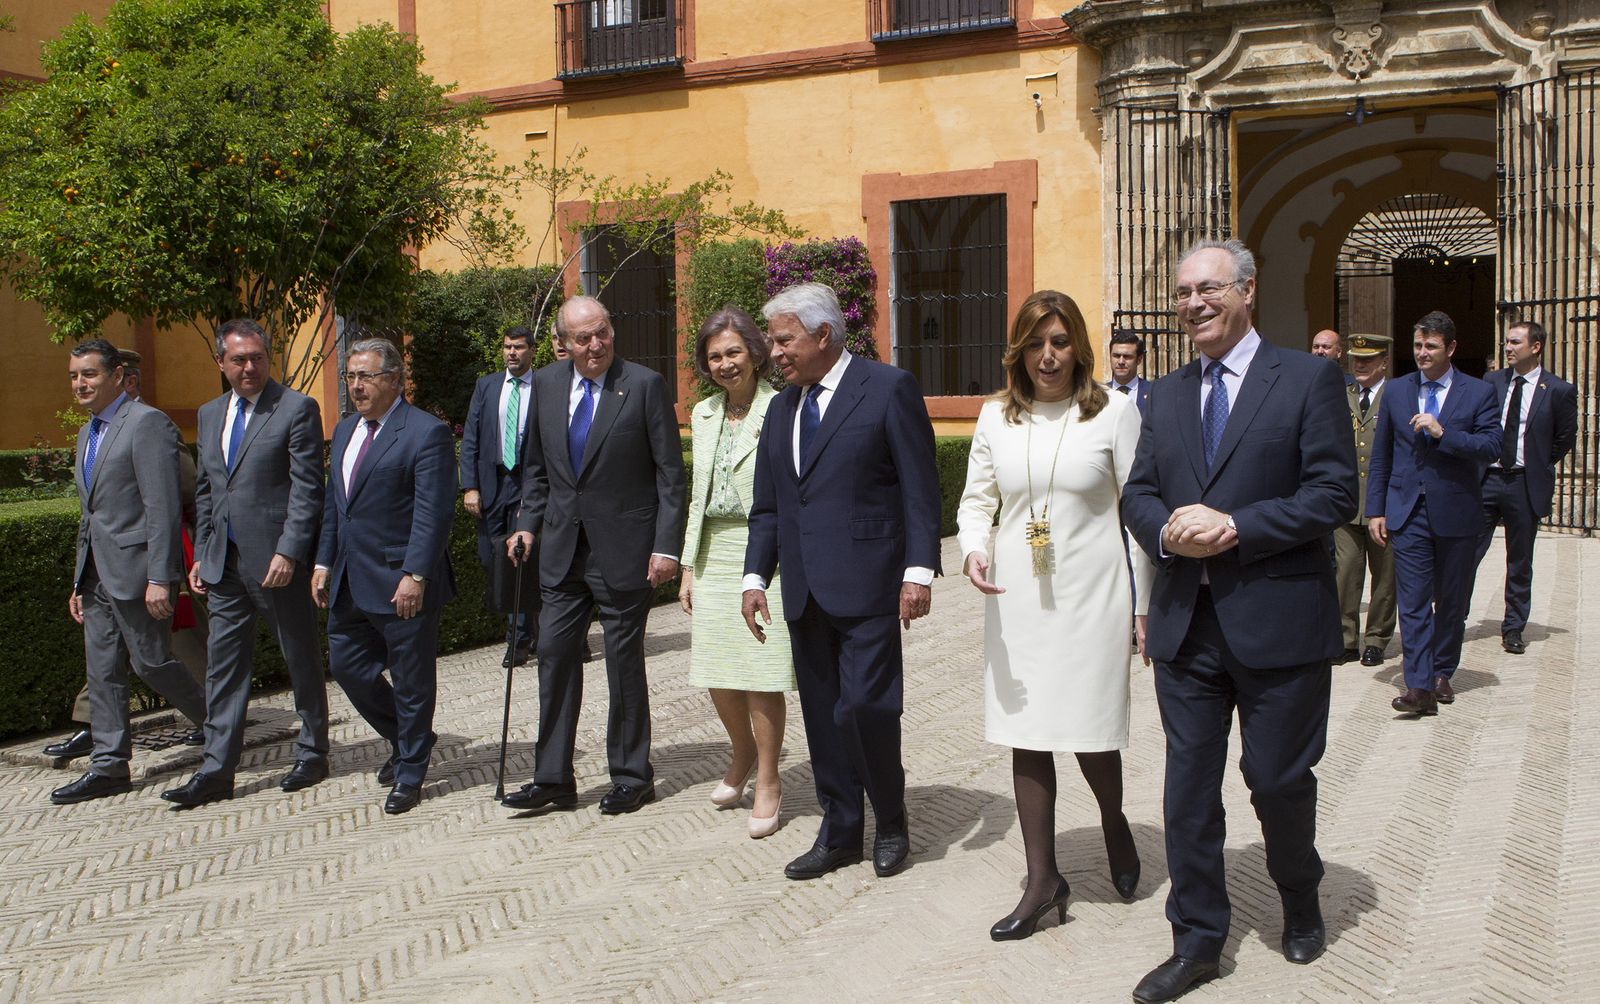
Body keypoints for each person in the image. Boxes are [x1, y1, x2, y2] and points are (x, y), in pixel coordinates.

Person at [1121, 240, 1357, 1002]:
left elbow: (1333, 494)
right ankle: (1196, 940)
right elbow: (1139, 492)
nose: (1191, 303)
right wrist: (1164, 532)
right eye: (1183, 291)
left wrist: (1236, 526)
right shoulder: (1163, 393)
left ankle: (1299, 893)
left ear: (1247, 291)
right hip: (1186, 622)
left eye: (1208, 289)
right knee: (1188, 789)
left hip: (1280, 620)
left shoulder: (1309, 378)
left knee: (1277, 779)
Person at [958, 290, 1154, 941]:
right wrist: (974, 551)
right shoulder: (995, 420)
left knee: (1093, 728)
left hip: (1093, 597)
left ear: (1080, 349)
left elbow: (1139, 518)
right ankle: (1043, 881)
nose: (1049, 355)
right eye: (1037, 342)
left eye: (1061, 341)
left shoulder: (1115, 414)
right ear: (1018, 349)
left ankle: (1114, 821)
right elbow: (975, 502)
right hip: (1017, 600)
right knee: (1030, 730)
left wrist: (1145, 604)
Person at [742, 282, 942, 881]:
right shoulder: (782, 409)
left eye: (784, 340)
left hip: (871, 584)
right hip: (803, 590)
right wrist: (755, 577)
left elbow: (919, 487)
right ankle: (840, 830)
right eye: (772, 341)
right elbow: (771, 505)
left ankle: (892, 817)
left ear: (823, 334)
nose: (773, 352)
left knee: (867, 708)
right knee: (825, 714)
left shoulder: (886, 389)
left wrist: (918, 571)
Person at [501, 296, 686, 816]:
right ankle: (553, 779)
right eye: (583, 338)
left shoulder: (644, 385)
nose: (595, 344)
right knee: (554, 657)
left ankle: (631, 775)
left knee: (624, 665)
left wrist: (666, 546)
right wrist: (525, 527)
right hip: (562, 553)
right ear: (564, 343)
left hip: (625, 551)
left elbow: (670, 476)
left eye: (602, 332)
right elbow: (535, 472)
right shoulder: (548, 385)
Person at [164, 319, 330, 809]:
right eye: (238, 360)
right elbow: (208, 491)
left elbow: (307, 490)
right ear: (221, 363)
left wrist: (289, 551)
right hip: (225, 566)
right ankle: (217, 770)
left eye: (257, 357)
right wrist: (203, 551)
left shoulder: (296, 408)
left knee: (299, 656)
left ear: (268, 357)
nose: (249, 367)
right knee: (223, 669)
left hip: (276, 563)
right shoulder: (210, 413)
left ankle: (313, 750)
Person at [52, 340, 211, 805]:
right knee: (102, 670)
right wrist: (80, 580)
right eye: (74, 376)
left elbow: (162, 506)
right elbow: (91, 515)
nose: (80, 384)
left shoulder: (146, 424)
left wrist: (163, 578)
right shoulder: (88, 434)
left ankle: (219, 725)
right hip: (98, 577)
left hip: (140, 573)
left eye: (89, 375)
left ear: (118, 376)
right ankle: (109, 766)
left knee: (151, 662)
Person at [313, 337, 457, 815]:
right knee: (350, 668)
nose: (356, 386)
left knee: (413, 681)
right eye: (351, 376)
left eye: (366, 376)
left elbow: (432, 513)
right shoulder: (347, 429)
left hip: (401, 581)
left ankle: (411, 771)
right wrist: (323, 562)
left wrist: (416, 573)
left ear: (395, 380)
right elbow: (339, 508)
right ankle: (410, 734)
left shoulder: (425, 433)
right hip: (351, 582)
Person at [679, 306, 795, 839]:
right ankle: (742, 753)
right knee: (717, 671)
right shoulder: (703, 415)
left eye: (733, 352)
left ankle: (769, 778)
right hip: (712, 556)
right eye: (715, 356)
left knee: (762, 670)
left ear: (755, 353)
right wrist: (687, 565)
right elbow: (695, 496)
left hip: (763, 553)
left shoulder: (783, 407)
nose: (725, 363)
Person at [1366, 311, 1499, 715]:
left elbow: (1492, 447)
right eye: (1418, 346)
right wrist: (1376, 509)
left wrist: (1446, 434)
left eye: (1431, 347)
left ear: (1451, 349)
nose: (1422, 354)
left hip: (1458, 511)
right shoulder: (1397, 391)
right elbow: (1382, 455)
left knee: (1452, 601)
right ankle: (1419, 686)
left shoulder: (1477, 393)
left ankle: (1443, 671)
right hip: (1408, 512)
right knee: (1413, 601)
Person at [1470, 319, 1578, 655]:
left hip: (1522, 483)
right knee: (1466, 553)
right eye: (1506, 342)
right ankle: (1451, 618)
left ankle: (1513, 627)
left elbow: (1563, 439)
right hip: (1486, 479)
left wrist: (1537, 464)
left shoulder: (1558, 390)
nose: (1508, 348)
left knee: (1519, 560)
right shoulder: (1492, 381)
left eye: (1515, 342)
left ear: (1536, 346)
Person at [461, 325, 539, 667]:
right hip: (493, 484)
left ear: (532, 351)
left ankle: (518, 641)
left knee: (518, 560)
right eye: (507, 347)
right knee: (489, 558)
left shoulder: (544, 387)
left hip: (526, 483)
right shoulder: (487, 386)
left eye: (519, 347)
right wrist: (471, 486)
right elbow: (471, 438)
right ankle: (530, 627)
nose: (512, 353)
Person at [1335, 334, 1398, 667]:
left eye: (1368, 359)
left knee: (1385, 575)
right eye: (1356, 359)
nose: (1359, 365)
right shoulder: (1340, 396)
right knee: (1345, 572)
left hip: (1384, 505)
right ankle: (1346, 638)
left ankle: (1376, 638)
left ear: (1383, 362)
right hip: (1346, 503)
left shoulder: (1397, 396)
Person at [1107, 331, 1152, 415]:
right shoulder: (1100, 394)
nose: (1121, 361)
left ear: (1139, 360)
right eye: (1116, 356)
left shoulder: (1153, 392)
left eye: (1127, 357)